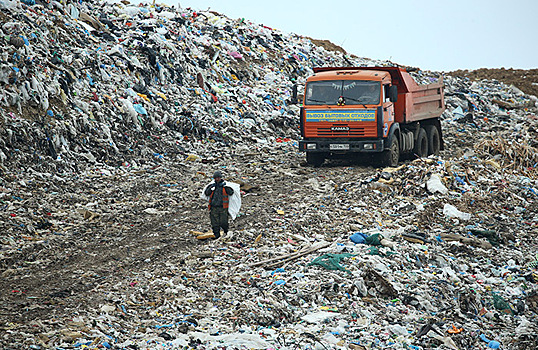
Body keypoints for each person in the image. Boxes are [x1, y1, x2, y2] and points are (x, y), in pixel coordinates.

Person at [204, 171, 234, 239]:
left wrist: (226, 187)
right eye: (215, 178)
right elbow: (206, 193)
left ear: (220, 178)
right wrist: (211, 188)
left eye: (218, 178)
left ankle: (226, 233)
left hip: (223, 207)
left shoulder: (225, 185)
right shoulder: (212, 186)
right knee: (215, 223)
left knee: (224, 222)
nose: (217, 179)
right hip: (214, 207)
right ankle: (217, 236)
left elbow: (231, 193)